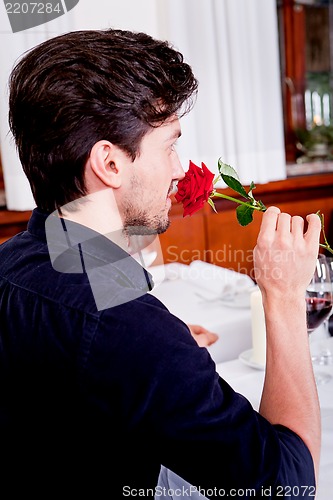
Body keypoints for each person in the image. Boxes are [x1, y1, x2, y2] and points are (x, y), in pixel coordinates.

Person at [0, 28, 321, 498]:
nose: (178, 168)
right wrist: (285, 296)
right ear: (110, 164)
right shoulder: (126, 329)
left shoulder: (14, 259)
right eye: (169, 145)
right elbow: (287, 484)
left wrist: (153, 343)